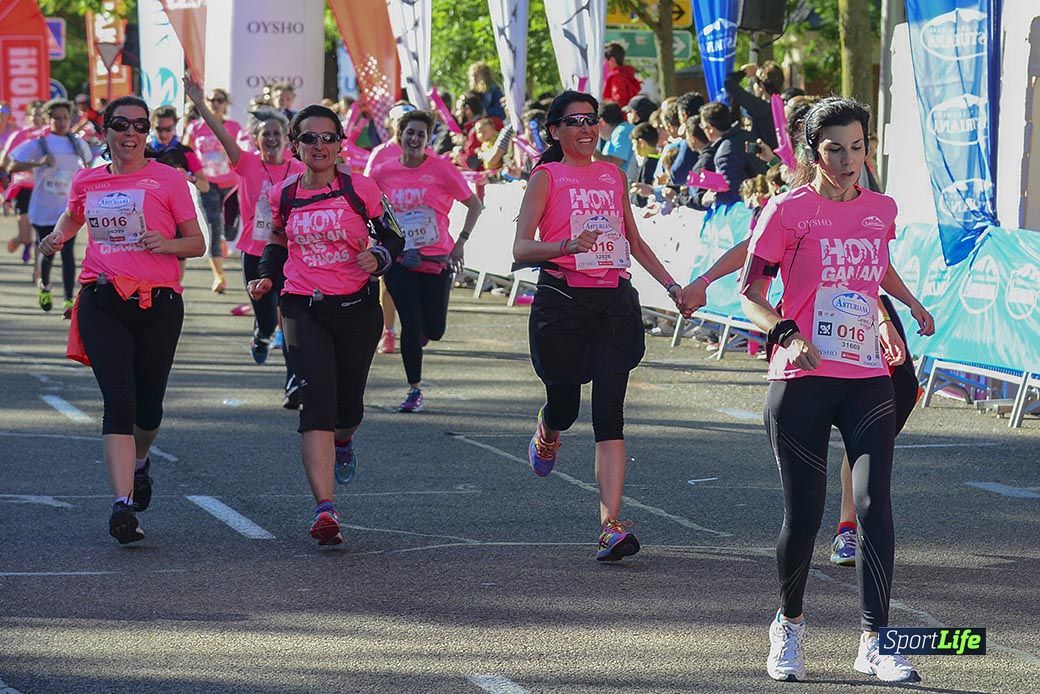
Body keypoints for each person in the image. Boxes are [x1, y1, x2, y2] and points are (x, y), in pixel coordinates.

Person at [737, 97, 934, 684]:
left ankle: (876, 640)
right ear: (810, 152)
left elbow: (872, 268)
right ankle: (790, 625)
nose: (848, 161)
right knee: (805, 515)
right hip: (801, 379)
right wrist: (786, 332)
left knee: (874, 506)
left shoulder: (881, 208)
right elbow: (748, 292)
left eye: (857, 147)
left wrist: (899, 309)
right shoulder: (787, 211)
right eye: (834, 150)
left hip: (866, 377)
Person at [512, 90, 693, 562]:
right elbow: (521, 249)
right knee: (566, 406)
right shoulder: (546, 176)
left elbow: (634, 240)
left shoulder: (613, 173)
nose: (586, 128)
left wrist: (673, 286)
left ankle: (610, 525)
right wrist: (569, 244)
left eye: (591, 119)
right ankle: (548, 431)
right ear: (554, 131)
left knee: (609, 415)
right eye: (574, 122)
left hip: (613, 301)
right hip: (562, 301)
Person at [38, 95, 205, 544]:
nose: (130, 133)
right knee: (120, 401)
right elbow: (73, 217)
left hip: (159, 304)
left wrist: (164, 244)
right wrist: (56, 237)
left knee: (148, 409)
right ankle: (121, 505)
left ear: (147, 133)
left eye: (139, 126)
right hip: (102, 298)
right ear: (105, 132)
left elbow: (197, 244)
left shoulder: (168, 179)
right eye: (121, 125)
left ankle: (140, 461)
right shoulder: (88, 179)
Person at [246, 104, 404, 543]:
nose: (319, 146)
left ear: (340, 143)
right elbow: (276, 237)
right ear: (296, 145)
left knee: (347, 405)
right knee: (317, 397)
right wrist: (266, 274)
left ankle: (344, 440)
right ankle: (325, 509)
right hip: (301, 304)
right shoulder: (284, 193)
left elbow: (394, 234)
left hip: (356, 307)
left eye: (327, 137)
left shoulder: (361, 189)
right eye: (309, 138)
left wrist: (380, 256)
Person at [183, 76, 306, 407]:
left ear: (287, 141)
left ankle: (294, 383)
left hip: (291, 254)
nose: (270, 138)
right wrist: (199, 103)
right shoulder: (247, 163)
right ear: (256, 139)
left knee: (292, 318)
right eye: (265, 134)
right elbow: (222, 136)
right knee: (267, 317)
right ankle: (261, 333)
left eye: (276, 134)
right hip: (255, 252)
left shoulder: (299, 169)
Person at [369, 110, 483, 412]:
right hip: (402, 260)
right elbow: (370, 210)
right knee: (411, 323)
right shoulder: (383, 172)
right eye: (410, 132)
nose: (415, 138)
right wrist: (385, 246)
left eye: (421, 134)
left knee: (434, 330)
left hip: (436, 258)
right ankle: (414, 389)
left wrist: (461, 242)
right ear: (400, 135)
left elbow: (474, 204)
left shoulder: (441, 169)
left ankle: (420, 334)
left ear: (427, 138)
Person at [8, 99, 93, 317]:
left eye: (65, 117)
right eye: (57, 118)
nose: (62, 122)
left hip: (68, 210)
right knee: (47, 254)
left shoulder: (78, 144)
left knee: (67, 254)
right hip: (43, 209)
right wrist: (38, 163)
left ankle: (68, 301)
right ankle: (44, 285)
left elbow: (90, 168)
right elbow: (11, 165)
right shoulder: (39, 143)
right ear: (48, 119)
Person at [364, 102, 417, 356]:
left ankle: (418, 326)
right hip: (388, 227)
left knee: (415, 279)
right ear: (391, 125)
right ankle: (389, 331)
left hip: (419, 230)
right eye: (400, 122)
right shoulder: (380, 154)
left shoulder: (424, 152)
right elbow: (365, 189)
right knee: (387, 280)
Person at [183, 86, 242, 293]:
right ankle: (219, 276)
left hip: (232, 183)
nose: (215, 103)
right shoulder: (195, 127)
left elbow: (244, 151)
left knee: (230, 231)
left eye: (219, 100)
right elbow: (185, 151)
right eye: (211, 99)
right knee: (213, 228)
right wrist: (190, 172)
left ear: (226, 104)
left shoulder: (234, 127)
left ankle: (226, 241)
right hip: (207, 184)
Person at [2, 102, 46, 265]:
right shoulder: (19, 135)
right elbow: (5, 160)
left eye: (40, 114)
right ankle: (22, 240)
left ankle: (38, 271)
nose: (37, 118)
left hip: (44, 188)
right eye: (34, 114)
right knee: (26, 233)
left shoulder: (49, 135)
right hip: (24, 186)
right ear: (27, 117)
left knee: (42, 233)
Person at [724, 61, 785, 149]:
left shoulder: (761, 107)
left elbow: (729, 83)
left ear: (761, 86)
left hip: (767, 159)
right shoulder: (783, 105)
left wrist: (743, 72)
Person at [594, 100, 635, 180]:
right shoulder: (618, 132)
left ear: (601, 122)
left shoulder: (622, 132)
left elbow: (614, 164)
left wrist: (590, 150)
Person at [603, 42, 642, 109]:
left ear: (612, 60)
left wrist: (602, 103)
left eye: (605, 60)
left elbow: (618, 100)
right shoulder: (627, 74)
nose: (604, 63)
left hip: (617, 117)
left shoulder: (617, 77)